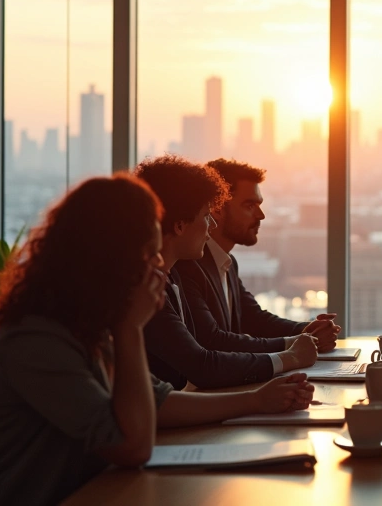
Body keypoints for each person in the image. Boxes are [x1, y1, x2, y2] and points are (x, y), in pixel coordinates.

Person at [0, 176, 314, 506]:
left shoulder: (88, 324)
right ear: (109, 260)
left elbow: (159, 402)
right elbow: (132, 445)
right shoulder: (38, 337)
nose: (158, 263)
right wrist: (130, 327)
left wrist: (256, 400)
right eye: (147, 254)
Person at [135, 155, 318, 390]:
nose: (211, 225)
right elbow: (204, 359)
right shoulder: (153, 284)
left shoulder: (172, 276)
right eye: (205, 215)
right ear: (180, 225)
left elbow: (250, 318)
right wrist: (290, 356)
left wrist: (303, 335)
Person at [174, 158, 341, 361]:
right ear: (217, 209)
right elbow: (213, 340)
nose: (261, 215)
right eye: (249, 205)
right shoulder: (188, 265)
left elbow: (253, 319)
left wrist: (309, 328)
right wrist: (300, 343)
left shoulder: (227, 263)